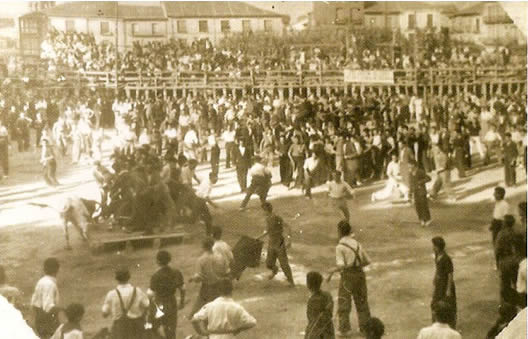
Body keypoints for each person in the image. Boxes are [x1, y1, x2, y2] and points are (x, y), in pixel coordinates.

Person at [328, 221, 371, 337]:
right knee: (362, 302)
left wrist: (333, 270)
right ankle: (365, 327)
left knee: (344, 302)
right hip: (360, 275)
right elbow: (367, 261)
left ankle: (344, 329)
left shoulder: (340, 247)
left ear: (339, 232)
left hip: (348, 276)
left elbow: (341, 265)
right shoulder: (357, 244)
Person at [191, 279, 256, 339]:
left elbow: (194, 320)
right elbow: (252, 322)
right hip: (230, 336)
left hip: (213, 336)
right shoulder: (237, 307)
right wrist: (239, 329)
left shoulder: (210, 306)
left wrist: (203, 333)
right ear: (231, 290)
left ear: (218, 290)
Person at [102, 267, 150, 339]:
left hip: (119, 328)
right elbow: (147, 305)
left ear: (116, 278)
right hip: (136, 326)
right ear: (129, 277)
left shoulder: (111, 294)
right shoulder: (137, 291)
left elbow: (104, 314)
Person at [149, 250, 185, 339]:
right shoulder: (176, 272)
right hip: (172, 302)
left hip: (159, 303)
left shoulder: (156, 275)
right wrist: (182, 301)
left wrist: (150, 305)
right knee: (171, 330)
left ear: (157, 261)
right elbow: (183, 288)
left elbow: (150, 294)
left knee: (152, 327)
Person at [189, 237, 228, 319]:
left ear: (203, 246)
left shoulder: (201, 259)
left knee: (196, 312)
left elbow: (198, 277)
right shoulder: (220, 257)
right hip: (220, 286)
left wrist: (192, 278)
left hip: (207, 287)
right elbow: (226, 271)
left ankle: (203, 329)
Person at [260, 202, 295, 286]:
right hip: (271, 242)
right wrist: (258, 237)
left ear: (266, 210)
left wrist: (289, 240)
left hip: (279, 242)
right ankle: (275, 270)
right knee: (269, 263)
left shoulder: (276, 218)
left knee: (284, 263)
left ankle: (291, 281)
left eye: (263, 210)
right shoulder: (268, 219)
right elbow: (268, 231)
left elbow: (288, 227)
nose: (262, 212)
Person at [31, 257, 61, 338]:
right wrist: (63, 309)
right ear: (57, 269)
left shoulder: (42, 281)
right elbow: (47, 306)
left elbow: (33, 301)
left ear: (44, 269)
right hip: (47, 318)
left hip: (40, 316)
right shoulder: (49, 284)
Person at [431, 237, 457, 329]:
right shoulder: (437, 255)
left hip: (445, 284)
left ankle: (450, 325)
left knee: (448, 305)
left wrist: (448, 290)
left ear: (438, 247)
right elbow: (438, 269)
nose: (433, 247)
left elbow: (450, 275)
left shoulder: (446, 259)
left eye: (434, 246)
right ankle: (437, 322)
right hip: (439, 283)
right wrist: (435, 277)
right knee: (435, 303)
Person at [304, 271, 335, 339]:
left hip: (316, 330)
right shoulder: (327, 295)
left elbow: (313, 319)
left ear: (308, 285)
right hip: (328, 328)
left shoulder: (312, 300)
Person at [491, 186, 511, 266]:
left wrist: (502, 229)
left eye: (495, 193)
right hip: (495, 224)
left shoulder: (505, 204)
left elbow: (505, 218)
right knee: (495, 243)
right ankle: (497, 261)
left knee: (499, 244)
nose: (493, 195)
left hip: (500, 225)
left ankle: (500, 262)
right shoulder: (497, 203)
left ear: (500, 194)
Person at [410, 160, 432, 227]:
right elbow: (411, 183)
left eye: (410, 165)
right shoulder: (411, 173)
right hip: (415, 192)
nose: (409, 166)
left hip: (422, 191)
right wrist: (410, 193)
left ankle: (428, 219)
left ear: (414, 165)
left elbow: (429, 178)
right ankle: (421, 219)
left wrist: (421, 182)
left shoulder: (420, 171)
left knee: (424, 206)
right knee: (418, 206)